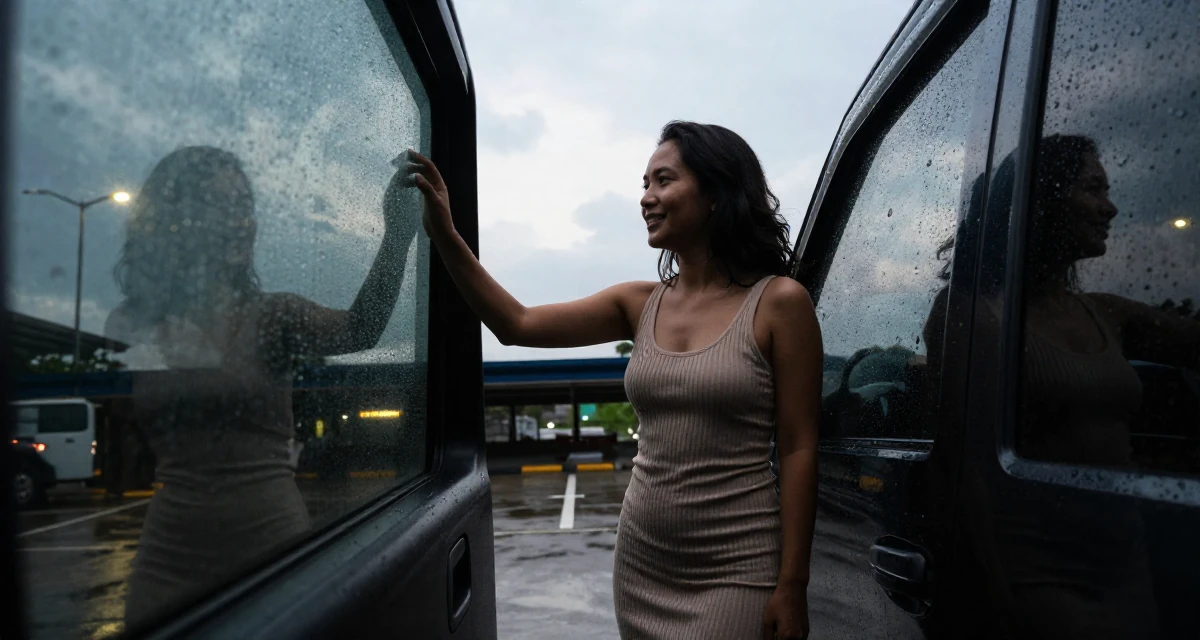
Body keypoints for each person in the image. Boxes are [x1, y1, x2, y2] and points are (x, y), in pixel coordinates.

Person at [405, 121, 822, 639]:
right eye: (644, 184)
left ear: (716, 192)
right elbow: (516, 325)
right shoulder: (638, 303)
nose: (647, 198)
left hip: (738, 567)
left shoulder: (780, 303)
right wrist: (445, 233)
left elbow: (800, 447)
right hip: (643, 564)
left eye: (663, 181)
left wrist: (793, 582)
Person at [105, 146, 417, 629]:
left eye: (244, 206)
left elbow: (363, 329)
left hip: (272, 547)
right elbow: (127, 414)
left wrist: (397, 236)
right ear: (174, 220)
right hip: (168, 554)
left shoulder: (276, 315)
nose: (239, 222)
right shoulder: (131, 322)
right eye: (217, 206)